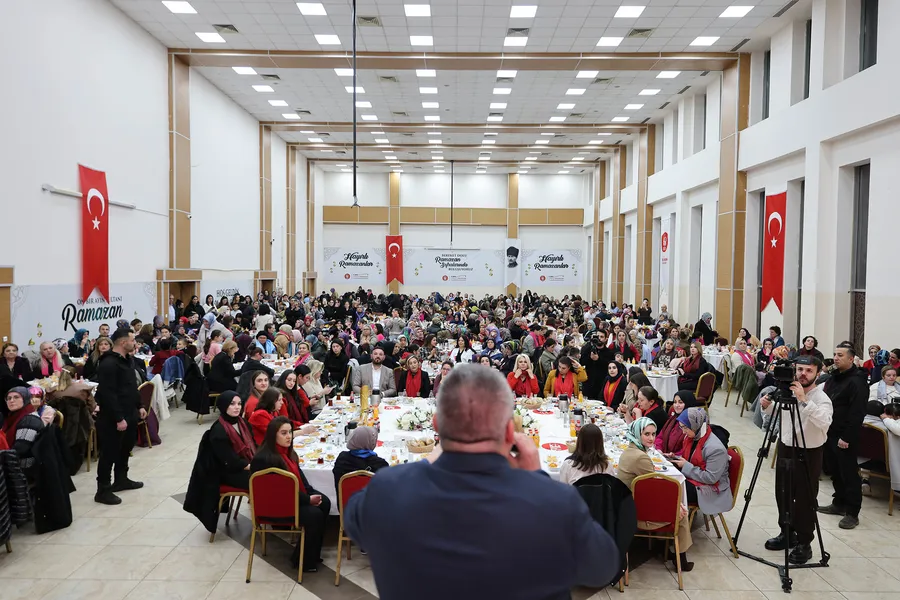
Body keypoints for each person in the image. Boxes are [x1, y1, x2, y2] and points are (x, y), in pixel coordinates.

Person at [343, 364, 619, 598]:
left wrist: (430, 459)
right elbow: (603, 567)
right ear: (510, 432)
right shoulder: (556, 503)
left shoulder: (387, 491)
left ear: (437, 425)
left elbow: (353, 518)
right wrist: (536, 479)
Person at [760, 356, 832, 564]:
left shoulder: (821, 398)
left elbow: (824, 422)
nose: (803, 374)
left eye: (809, 370)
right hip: (786, 446)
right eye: (800, 369)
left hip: (809, 451)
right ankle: (787, 532)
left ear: (817, 373)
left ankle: (804, 542)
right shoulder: (788, 392)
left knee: (804, 499)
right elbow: (779, 412)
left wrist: (803, 400)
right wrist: (767, 405)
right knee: (783, 492)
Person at [250, 417, 331, 572]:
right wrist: (307, 499)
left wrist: (310, 493)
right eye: (283, 433)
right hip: (275, 506)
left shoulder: (288, 453)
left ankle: (308, 554)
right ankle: (304, 561)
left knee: (325, 502)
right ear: (273, 435)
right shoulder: (265, 459)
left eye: (290, 432)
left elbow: (301, 480)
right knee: (314, 515)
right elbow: (278, 491)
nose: (289, 436)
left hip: (290, 498)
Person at [617, 417, 694, 571]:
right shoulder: (640, 457)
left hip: (627, 504)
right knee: (681, 512)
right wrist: (676, 505)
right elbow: (655, 489)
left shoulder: (630, 450)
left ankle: (662, 546)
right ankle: (680, 558)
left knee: (676, 505)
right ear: (637, 434)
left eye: (653, 434)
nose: (651, 438)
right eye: (646, 434)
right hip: (636, 512)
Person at [817, 342, 869, 530]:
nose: (836, 358)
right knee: (834, 470)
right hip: (830, 431)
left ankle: (852, 513)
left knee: (848, 474)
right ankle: (839, 503)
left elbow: (857, 413)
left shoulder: (857, 381)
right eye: (835, 354)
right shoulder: (834, 377)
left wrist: (846, 437)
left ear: (851, 358)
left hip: (845, 435)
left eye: (840, 355)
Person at [93, 327, 146, 505]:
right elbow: (108, 393)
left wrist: (139, 405)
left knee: (125, 448)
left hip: (130, 411)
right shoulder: (108, 363)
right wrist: (118, 418)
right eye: (132, 340)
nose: (135, 343)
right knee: (109, 452)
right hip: (113, 416)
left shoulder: (127, 360)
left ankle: (121, 479)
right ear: (123, 342)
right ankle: (103, 490)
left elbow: (131, 386)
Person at [667, 407, 732, 525]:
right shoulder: (692, 436)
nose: (683, 432)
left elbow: (711, 478)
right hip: (695, 478)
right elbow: (690, 458)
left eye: (685, 427)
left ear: (695, 425)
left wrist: (686, 466)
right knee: (667, 477)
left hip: (711, 489)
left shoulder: (715, 449)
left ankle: (671, 525)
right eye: (681, 427)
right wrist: (674, 457)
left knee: (673, 486)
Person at [2, 387, 45, 475]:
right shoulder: (14, 416)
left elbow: (20, 449)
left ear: (26, 399)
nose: (11, 401)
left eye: (16, 397)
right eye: (8, 398)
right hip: (12, 461)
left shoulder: (30, 419)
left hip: (25, 468)